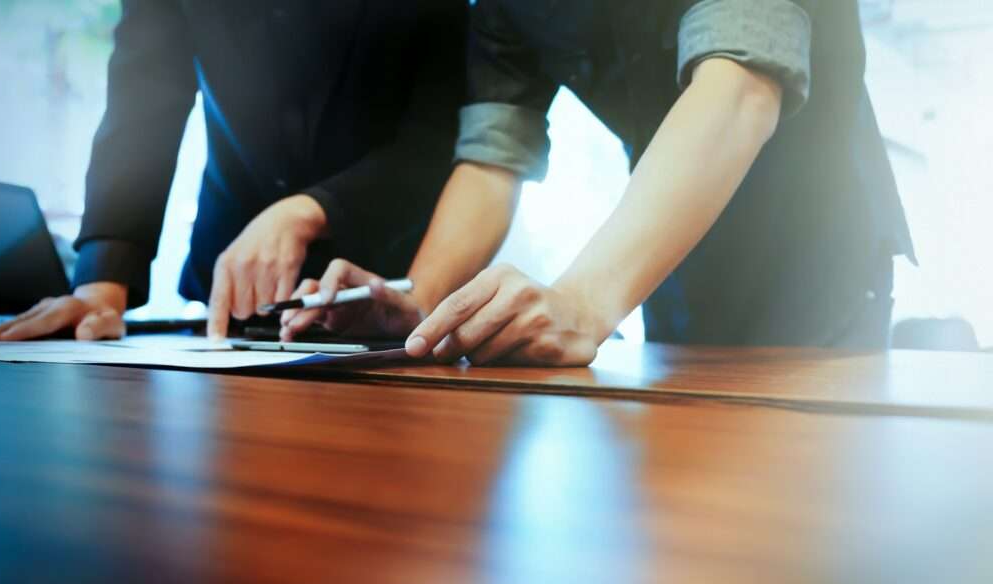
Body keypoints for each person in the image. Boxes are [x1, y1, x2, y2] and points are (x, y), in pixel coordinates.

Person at [291, 0, 914, 365]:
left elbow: (741, 89)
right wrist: (422, 304)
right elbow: (492, 160)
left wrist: (584, 300)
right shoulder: (505, 12)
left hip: (819, 257)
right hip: (673, 256)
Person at [0, 0, 464, 342]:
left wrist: (315, 209)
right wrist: (104, 280)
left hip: (394, 285)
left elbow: (439, 138)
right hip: (228, 296)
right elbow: (145, 101)